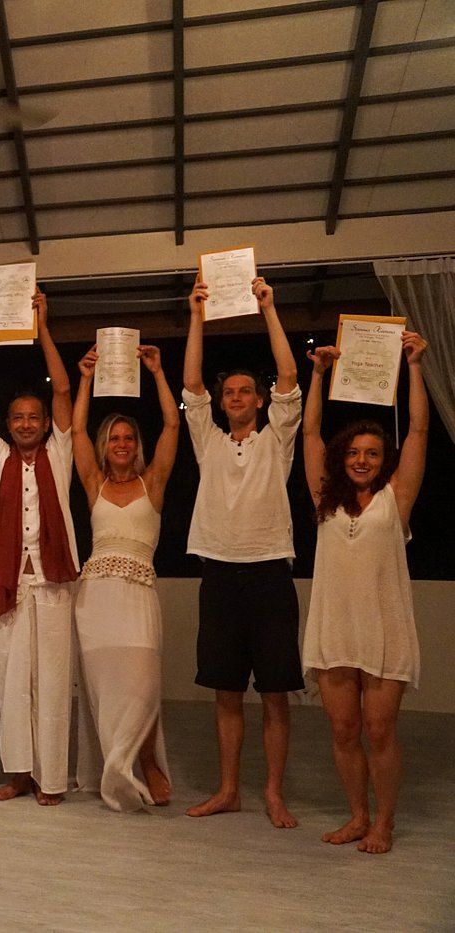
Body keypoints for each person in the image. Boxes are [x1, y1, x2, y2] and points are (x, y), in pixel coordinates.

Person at [182, 275, 304, 828]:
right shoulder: (207, 440)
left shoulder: (278, 439)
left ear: (258, 401)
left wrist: (268, 309)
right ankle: (229, 788)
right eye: (227, 393)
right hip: (220, 576)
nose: (234, 399)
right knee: (226, 691)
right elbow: (190, 387)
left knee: (275, 692)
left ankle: (273, 791)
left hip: (270, 574)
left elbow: (289, 376)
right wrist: (196, 317)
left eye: (243, 392)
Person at [301, 331, 428, 854]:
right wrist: (318, 374)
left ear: (384, 460)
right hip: (335, 631)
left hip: (383, 630)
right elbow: (309, 435)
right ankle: (357, 815)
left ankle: (385, 822)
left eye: (372, 453)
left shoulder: (394, 501)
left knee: (379, 732)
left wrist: (414, 366)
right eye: (353, 452)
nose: (361, 460)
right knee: (344, 731)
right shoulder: (325, 501)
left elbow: (419, 427)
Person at [0, 290, 80, 806]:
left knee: (53, 682)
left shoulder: (61, 452)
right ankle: (18, 773)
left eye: (34, 417)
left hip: (55, 580)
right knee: (13, 682)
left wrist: (43, 327)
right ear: (9, 424)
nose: (27, 424)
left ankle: (51, 778)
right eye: (18, 418)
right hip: (11, 580)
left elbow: (63, 388)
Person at [71, 342, 179, 811]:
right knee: (104, 687)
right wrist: (86, 379)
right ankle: (118, 766)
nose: (120, 445)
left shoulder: (151, 483)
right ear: (105, 446)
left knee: (142, 684)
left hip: (137, 596)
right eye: (113, 439)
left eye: (128, 439)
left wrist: (156, 373)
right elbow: (75, 427)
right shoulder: (94, 483)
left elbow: (173, 424)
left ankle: (147, 762)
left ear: (136, 445)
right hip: (95, 598)